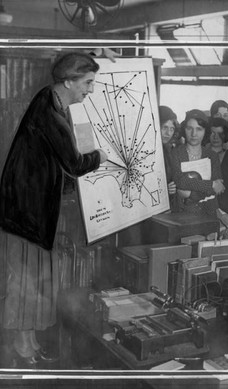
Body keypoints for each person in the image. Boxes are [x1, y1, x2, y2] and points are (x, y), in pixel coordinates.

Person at [0, 52, 108, 366]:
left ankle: (30, 339)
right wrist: (99, 156)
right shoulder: (50, 112)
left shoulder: (50, 101)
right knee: (27, 281)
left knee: (38, 278)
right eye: (87, 83)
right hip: (25, 214)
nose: (90, 89)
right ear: (68, 80)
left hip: (32, 209)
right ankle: (22, 345)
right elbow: (74, 163)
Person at [170, 109, 225, 217]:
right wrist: (211, 184)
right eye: (189, 128)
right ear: (184, 129)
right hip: (181, 214)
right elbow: (180, 181)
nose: (194, 134)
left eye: (199, 129)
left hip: (208, 213)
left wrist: (190, 194)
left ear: (205, 131)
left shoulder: (212, 155)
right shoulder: (175, 153)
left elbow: (218, 189)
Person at [158, 106, 179, 199]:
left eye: (172, 129)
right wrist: (163, 189)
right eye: (164, 127)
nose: (168, 133)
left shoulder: (169, 150)